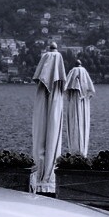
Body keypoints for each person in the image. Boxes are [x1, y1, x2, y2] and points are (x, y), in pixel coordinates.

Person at [32, 42, 66, 194]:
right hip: (48, 185)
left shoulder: (44, 95)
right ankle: (47, 179)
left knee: (42, 134)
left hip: (39, 183)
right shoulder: (56, 96)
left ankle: (42, 178)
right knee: (52, 132)